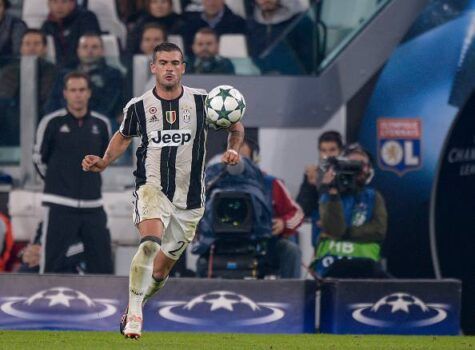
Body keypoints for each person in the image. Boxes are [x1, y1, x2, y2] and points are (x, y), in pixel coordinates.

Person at [81, 42, 244, 339]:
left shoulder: (202, 103)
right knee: (149, 243)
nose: (169, 68)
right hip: (152, 188)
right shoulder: (139, 106)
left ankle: (137, 303)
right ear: (153, 68)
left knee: (159, 272)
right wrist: (105, 160)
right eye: (163, 63)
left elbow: (236, 126)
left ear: (183, 68)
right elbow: (123, 136)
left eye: (175, 63)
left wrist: (234, 150)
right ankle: (135, 315)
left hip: (190, 200)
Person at [33, 71, 113, 274]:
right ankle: (45, 304)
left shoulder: (101, 124)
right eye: (73, 90)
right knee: (51, 264)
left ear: (89, 93)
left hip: (94, 205)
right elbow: (39, 160)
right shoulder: (51, 123)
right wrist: (58, 182)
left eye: (82, 90)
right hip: (59, 205)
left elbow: (106, 159)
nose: (78, 94)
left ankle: (106, 305)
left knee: (103, 265)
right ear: (65, 94)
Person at [312, 144, 388, 278]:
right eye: (351, 164)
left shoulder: (374, 197)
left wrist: (347, 232)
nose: (357, 169)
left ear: (369, 170)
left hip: (366, 269)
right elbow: (335, 230)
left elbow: (379, 230)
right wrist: (332, 192)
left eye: (361, 164)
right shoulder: (328, 195)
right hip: (330, 267)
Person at [239, 137, 304, 278]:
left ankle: (292, 298)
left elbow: (297, 214)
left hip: (266, 246)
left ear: (255, 158)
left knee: (290, 250)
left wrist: (283, 223)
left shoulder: (271, 184)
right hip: (227, 246)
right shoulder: (215, 185)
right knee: (203, 260)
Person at [44, 33, 124, 126]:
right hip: (64, 121)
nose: (89, 51)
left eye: (94, 47)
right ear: (78, 50)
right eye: (85, 47)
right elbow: (53, 102)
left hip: (100, 121)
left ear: (102, 51)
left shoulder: (113, 74)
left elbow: (109, 104)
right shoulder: (63, 74)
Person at [0, 29, 59, 145]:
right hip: (11, 128)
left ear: (45, 48)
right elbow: (4, 99)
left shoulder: (54, 72)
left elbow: (49, 102)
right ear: (21, 48)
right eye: (27, 44)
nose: (32, 48)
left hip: (44, 126)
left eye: (36, 44)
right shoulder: (8, 72)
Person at [247, 0, 315, 74]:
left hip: (294, 82)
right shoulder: (252, 24)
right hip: (263, 82)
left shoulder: (301, 22)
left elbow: (310, 67)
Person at [296, 131, 344, 218]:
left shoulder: (347, 173)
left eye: (332, 150)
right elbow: (302, 211)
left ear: (340, 151)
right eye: (323, 150)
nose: (328, 155)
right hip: (319, 229)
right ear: (319, 152)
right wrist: (310, 186)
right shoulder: (314, 174)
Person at [41, 0, 101, 66]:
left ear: (73, 3)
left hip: (82, 68)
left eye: (64, 2)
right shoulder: (47, 25)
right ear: (49, 5)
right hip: (56, 69)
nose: (59, 7)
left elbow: (89, 47)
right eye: (55, 2)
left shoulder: (87, 18)